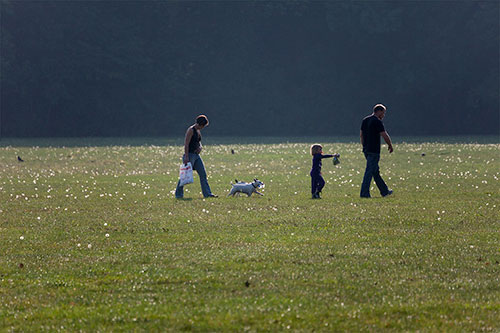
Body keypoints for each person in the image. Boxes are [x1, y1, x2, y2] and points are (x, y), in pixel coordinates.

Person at [175, 115, 217, 199]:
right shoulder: (191, 130)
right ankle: (178, 194)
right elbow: (186, 144)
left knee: (203, 174)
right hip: (189, 155)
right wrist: (186, 156)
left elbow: (199, 142)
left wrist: (200, 148)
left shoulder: (198, 131)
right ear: (200, 124)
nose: (203, 127)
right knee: (185, 176)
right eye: (203, 126)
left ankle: (207, 194)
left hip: (196, 156)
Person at [360, 104, 394, 198]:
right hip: (374, 150)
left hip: (366, 149)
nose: (383, 115)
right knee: (369, 172)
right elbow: (384, 134)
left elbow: (361, 134)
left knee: (375, 171)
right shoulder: (377, 121)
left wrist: (364, 146)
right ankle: (364, 193)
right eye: (383, 113)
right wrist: (390, 145)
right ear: (378, 111)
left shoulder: (365, 120)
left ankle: (385, 191)